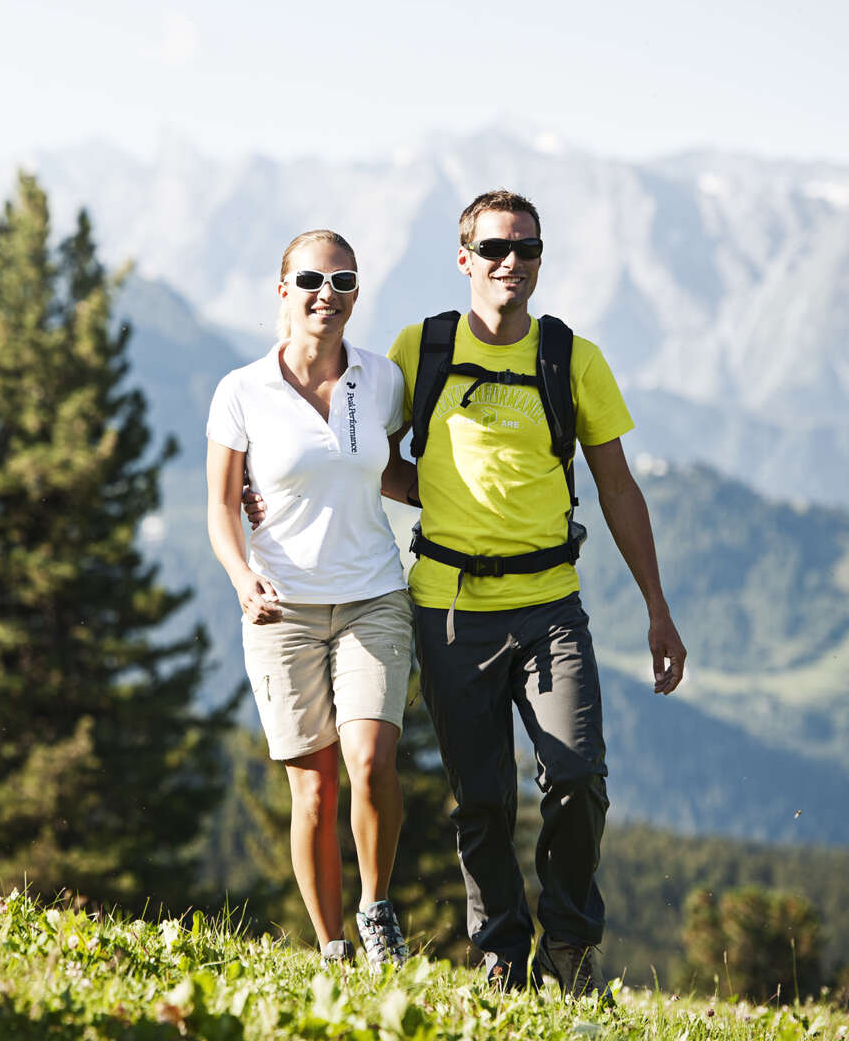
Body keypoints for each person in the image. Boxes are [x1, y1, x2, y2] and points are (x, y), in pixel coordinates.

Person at [246, 192, 687, 999]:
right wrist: (266, 487)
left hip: (553, 603)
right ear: (464, 259)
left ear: (541, 259)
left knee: (578, 776)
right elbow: (357, 448)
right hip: (447, 607)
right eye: (492, 249)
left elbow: (618, 488)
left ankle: (572, 949)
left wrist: (657, 607)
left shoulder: (571, 359)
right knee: (480, 799)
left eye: (524, 249)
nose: (508, 263)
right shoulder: (424, 349)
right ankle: (500, 959)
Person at [206, 229, 415, 968]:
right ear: (283, 289)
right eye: (312, 280)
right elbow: (223, 504)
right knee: (315, 792)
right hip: (282, 605)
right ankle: (331, 947)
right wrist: (242, 577)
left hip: (373, 596)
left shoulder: (382, 379)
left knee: (370, 762)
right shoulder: (241, 391)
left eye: (344, 281)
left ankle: (375, 909)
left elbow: (390, 469)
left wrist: (476, 503)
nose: (327, 294)